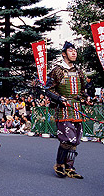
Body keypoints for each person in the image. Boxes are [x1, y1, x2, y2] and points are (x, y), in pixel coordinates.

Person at [46, 41, 85, 179]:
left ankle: (70, 167)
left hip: (77, 109)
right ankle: (59, 165)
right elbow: (48, 90)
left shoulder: (79, 71)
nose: (74, 52)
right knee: (67, 139)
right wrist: (59, 98)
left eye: (75, 50)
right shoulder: (57, 70)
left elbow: (83, 90)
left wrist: (85, 98)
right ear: (64, 54)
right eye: (70, 50)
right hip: (63, 110)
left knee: (75, 141)